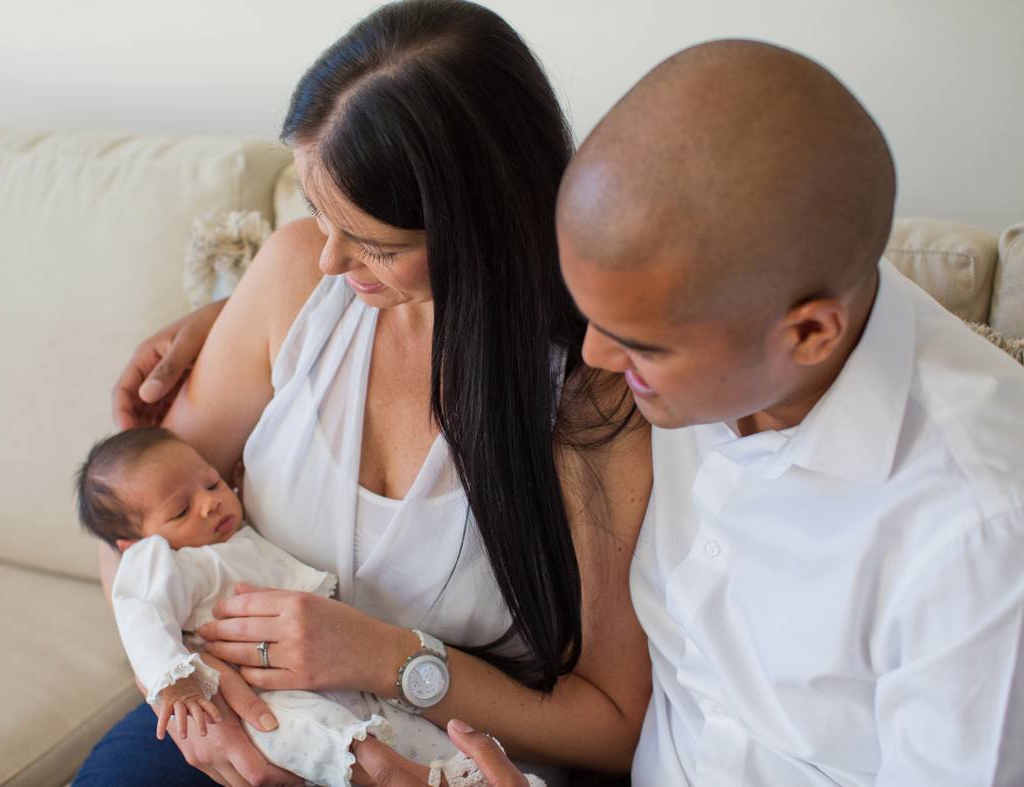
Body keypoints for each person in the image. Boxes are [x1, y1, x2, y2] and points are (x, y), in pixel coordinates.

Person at [361, 38, 1024, 786]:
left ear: (808, 333)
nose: (597, 360)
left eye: (641, 344)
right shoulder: (708, 336)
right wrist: (217, 326)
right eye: (587, 314)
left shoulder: (980, 536)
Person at [78, 1, 653, 785]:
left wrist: (393, 658)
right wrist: (196, 704)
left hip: (437, 761)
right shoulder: (292, 275)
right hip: (238, 723)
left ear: (481, 224)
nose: (328, 260)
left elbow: (618, 726)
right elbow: (128, 544)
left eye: (376, 243)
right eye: (319, 212)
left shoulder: (591, 393)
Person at [76, 426, 523, 786]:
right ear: (134, 544)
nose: (211, 502)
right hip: (257, 693)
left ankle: (465, 773)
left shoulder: (234, 540)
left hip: (331, 673)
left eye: (212, 483)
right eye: (180, 511)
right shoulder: (163, 560)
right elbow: (139, 612)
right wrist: (172, 684)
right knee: (322, 734)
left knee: (397, 726)